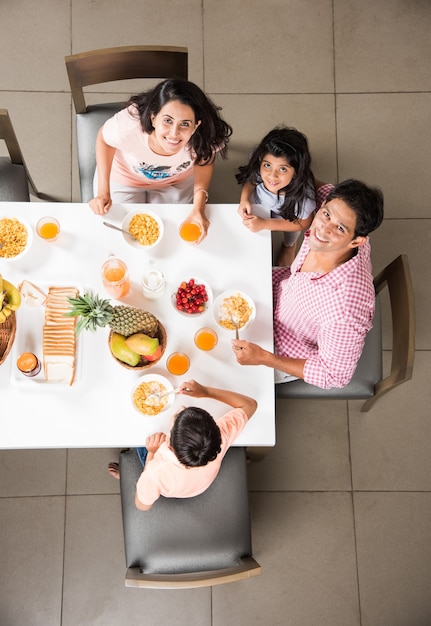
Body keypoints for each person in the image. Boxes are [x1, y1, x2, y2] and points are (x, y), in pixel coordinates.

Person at [232, 179, 384, 389]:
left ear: (356, 242)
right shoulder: (331, 204)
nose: (323, 229)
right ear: (322, 206)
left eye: (339, 228)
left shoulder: (345, 312)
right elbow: (306, 177)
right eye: (326, 215)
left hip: (282, 347)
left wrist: (265, 358)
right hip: (280, 287)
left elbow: (333, 376)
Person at [89, 79, 233, 241]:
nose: (174, 133)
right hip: (124, 178)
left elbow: (204, 160)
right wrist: (103, 191)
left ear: (196, 125)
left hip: (176, 182)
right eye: (167, 121)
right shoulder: (127, 126)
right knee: (122, 232)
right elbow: (104, 139)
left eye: (185, 124)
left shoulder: (207, 134)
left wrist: (199, 207)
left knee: (172, 233)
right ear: (153, 118)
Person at [108, 380, 257, 511]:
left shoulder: (156, 471)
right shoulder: (221, 435)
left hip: (167, 486)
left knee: (141, 440)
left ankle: (131, 477)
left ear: (170, 443)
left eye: (177, 417)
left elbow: (142, 506)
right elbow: (250, 405)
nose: (182, 407)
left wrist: (152, 454)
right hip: (199, 485)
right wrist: (205, 392)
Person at [236, 126, 318, 266]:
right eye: (267, 165)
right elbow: (251, 180)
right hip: (259, 205)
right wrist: (244, 199)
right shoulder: (258, 160)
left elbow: (303, 223)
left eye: (283, 169)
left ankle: (289, 246)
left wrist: (266, 224)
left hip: (289, 218)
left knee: (290, 238)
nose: (272, 176)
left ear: (297, 171)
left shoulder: (305, 198)